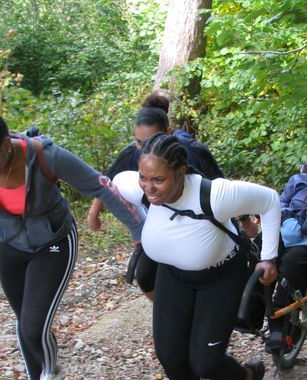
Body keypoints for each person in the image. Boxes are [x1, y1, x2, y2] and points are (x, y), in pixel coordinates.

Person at [0, 95, 144, 380]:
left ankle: (50, 374)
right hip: (11, 245)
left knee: (33, 324)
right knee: (23, 319)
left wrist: (137, 228)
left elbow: (100, 185)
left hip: (54, 242)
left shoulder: (45, 156)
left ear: (5, 144)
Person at [113, 133, 280, 380]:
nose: (149, 187)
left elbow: (270, 200)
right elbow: (107, 183)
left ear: (180, 172)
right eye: (144, 178)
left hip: (220, 278)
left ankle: (247, 376)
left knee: (205, 362)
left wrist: (269, 257)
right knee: (171, 357)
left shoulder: (215, 194)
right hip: (173, 277)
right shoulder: (139, 187)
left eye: (159, 180)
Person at [87, 93, 224, 299]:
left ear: (168, 133)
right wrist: (94, 212)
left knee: (192, 272)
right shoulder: (132, 153)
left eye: (150, 140)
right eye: (139, 142)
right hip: (159, 224)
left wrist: (243, 221)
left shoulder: (191, 150)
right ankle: (169, 312)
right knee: (146, 277)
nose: (143, 149)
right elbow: (107, 180)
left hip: (199, 225)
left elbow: (221, 188)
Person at [266, 141, 307, 352]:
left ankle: (277, 326)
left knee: (291, 264)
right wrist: (288, 222)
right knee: (260, 253)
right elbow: (280, 202)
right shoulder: (300, 180)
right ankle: (252, 308)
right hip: (287, 230)